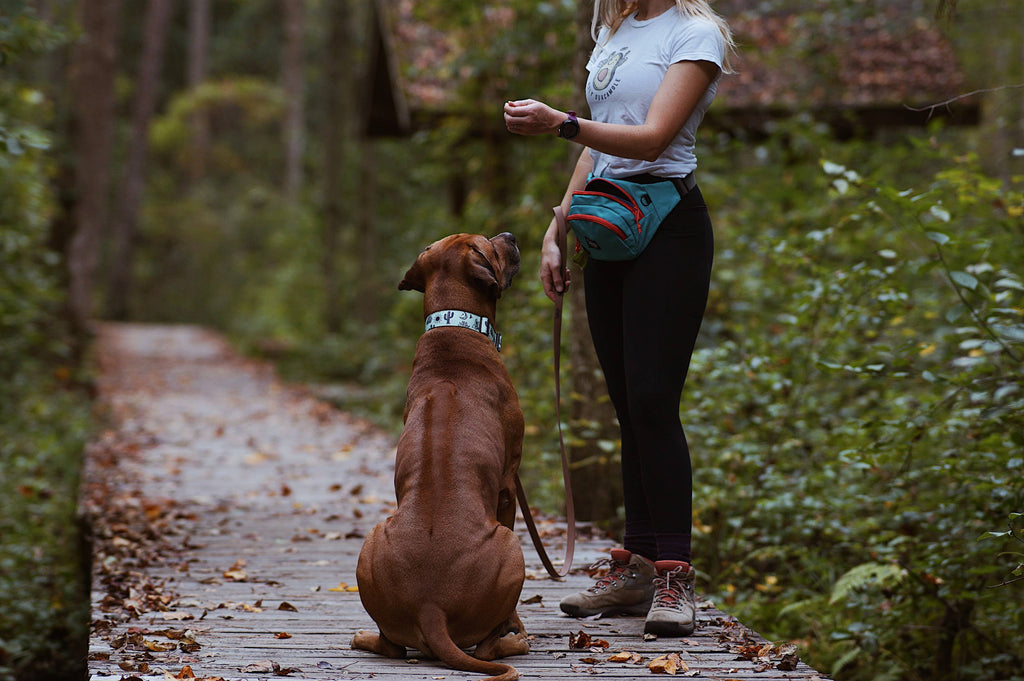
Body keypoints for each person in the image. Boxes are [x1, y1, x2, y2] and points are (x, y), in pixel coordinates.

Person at [503, 0, 734, 637]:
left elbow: (653, 137)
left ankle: (674, 575)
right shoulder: (612, 29)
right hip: (608, 222)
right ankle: (634, 565)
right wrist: (556, 226)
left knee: (656, 400)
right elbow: (596, 147)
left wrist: (560, 122)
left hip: (669, 228)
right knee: (628, 403)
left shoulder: (696, 33)